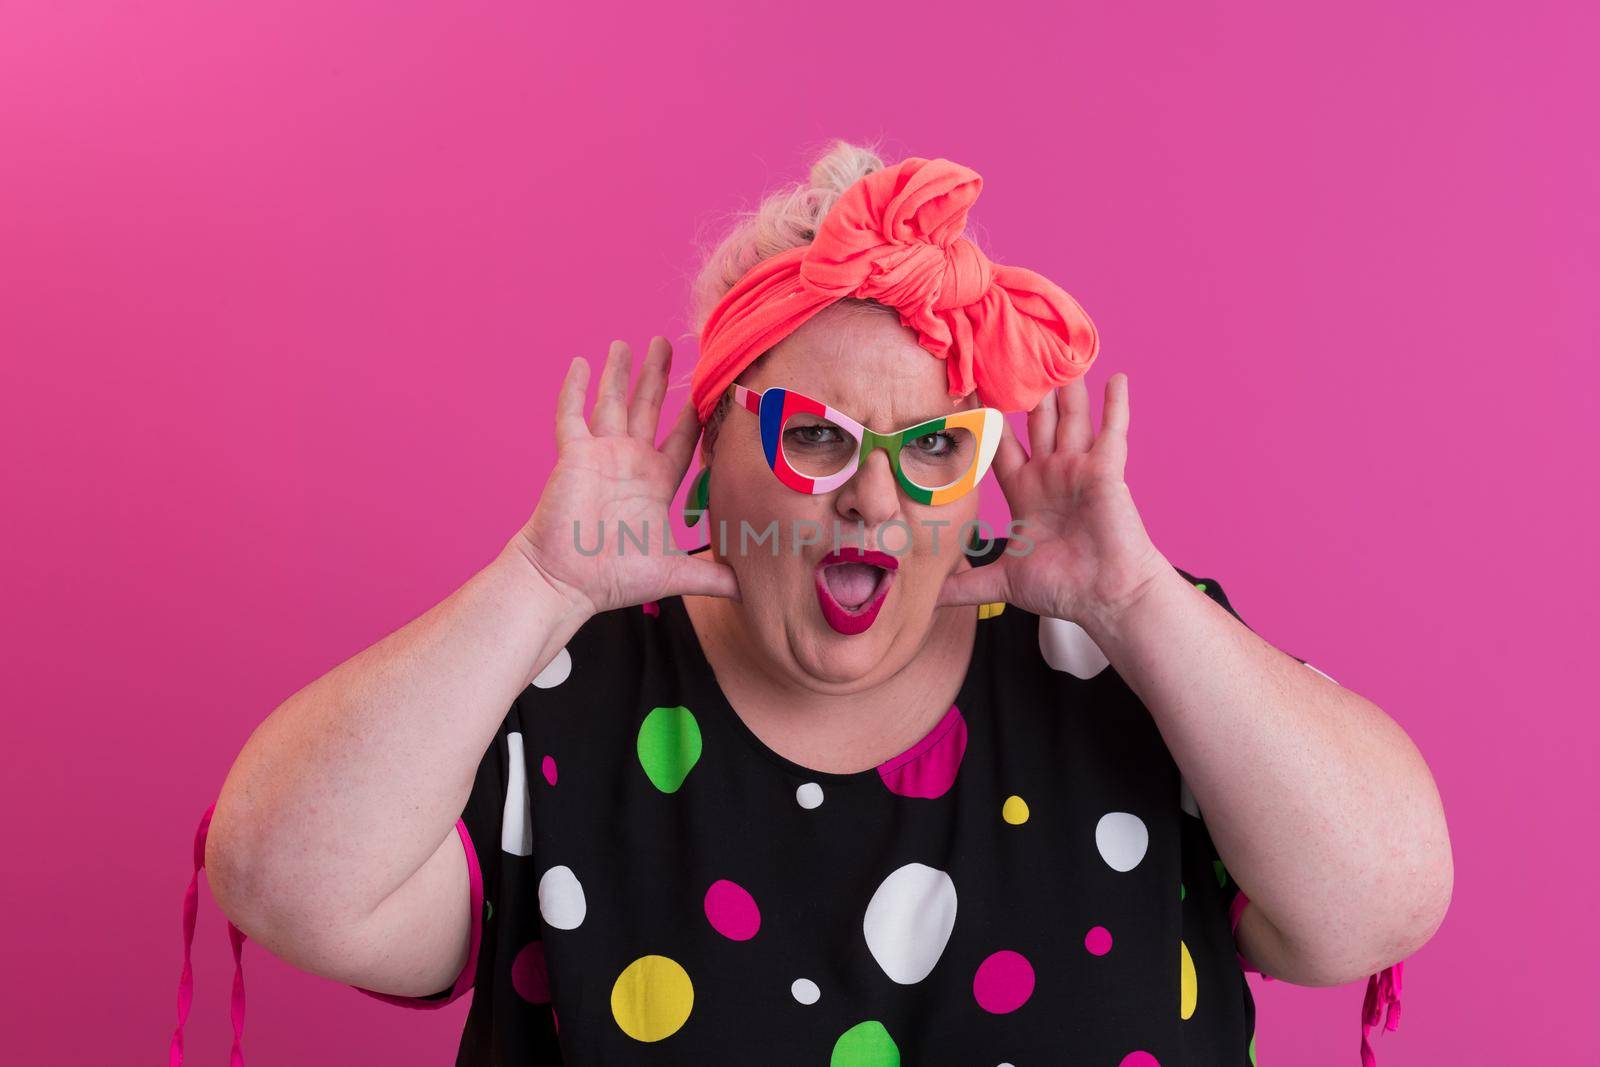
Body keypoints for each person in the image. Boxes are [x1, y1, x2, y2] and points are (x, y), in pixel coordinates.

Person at [173, 141, 1450, 1066]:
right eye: (817, 438)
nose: (876, 504)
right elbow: (284, 879)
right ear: (712, 444)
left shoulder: (1126, 662)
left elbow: (1377, 904)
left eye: (935, 447)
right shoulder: (558, 696)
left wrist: (1132, 598)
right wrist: (544, 582)